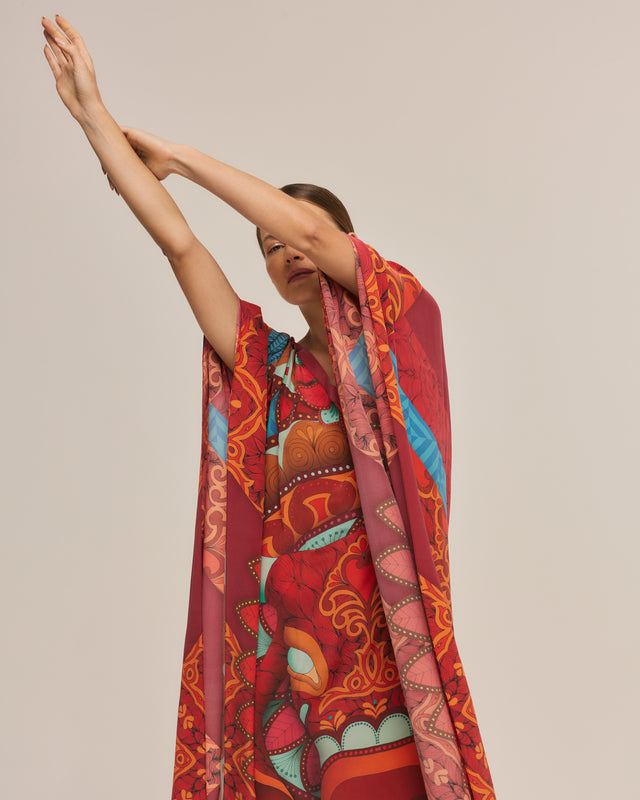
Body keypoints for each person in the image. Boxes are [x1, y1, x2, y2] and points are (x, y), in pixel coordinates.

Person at [42, 15, 496, 800]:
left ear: (347, 246)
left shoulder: (403, 321)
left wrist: (181, 156)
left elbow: (311, 231)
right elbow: (181, 246)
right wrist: (93, 118)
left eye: (292, 239)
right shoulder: (267, 371)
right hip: (291, 666)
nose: (285, 253)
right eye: (268, 247)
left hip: (392, 650)